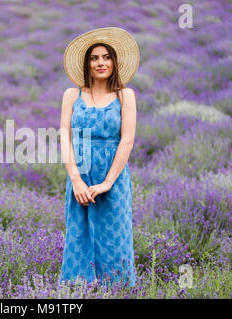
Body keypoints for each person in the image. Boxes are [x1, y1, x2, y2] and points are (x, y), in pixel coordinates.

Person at [59, 27, 139, 288]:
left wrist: (107, 182)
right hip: (80, 175)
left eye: (106, 57)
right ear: (87, 63)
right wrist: (76, 180)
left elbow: (126, 140)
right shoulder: (72, 95)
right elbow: (65, 137)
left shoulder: (125, 95)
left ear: (114, 62)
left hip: (113, 178)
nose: (101, 62)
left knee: (114, 240)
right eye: (94, 58)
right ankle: (78, 294)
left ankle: (117, 293)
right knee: (79, 238)